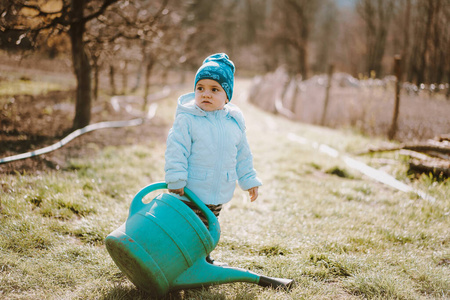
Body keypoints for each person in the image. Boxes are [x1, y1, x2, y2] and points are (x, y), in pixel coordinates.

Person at [164, 53, 262, 263]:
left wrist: (249, 180)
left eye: (214, 89)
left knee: (209, 227)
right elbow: (176, 149)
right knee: (187, 227)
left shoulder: (234, 123)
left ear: (227, 96)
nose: (205, 94)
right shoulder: (187, 119)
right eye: (200, 88)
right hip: (190, 190)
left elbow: (243, 155)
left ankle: (201, 260)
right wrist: (176, 178)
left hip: (218, 191)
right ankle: (179, 260)